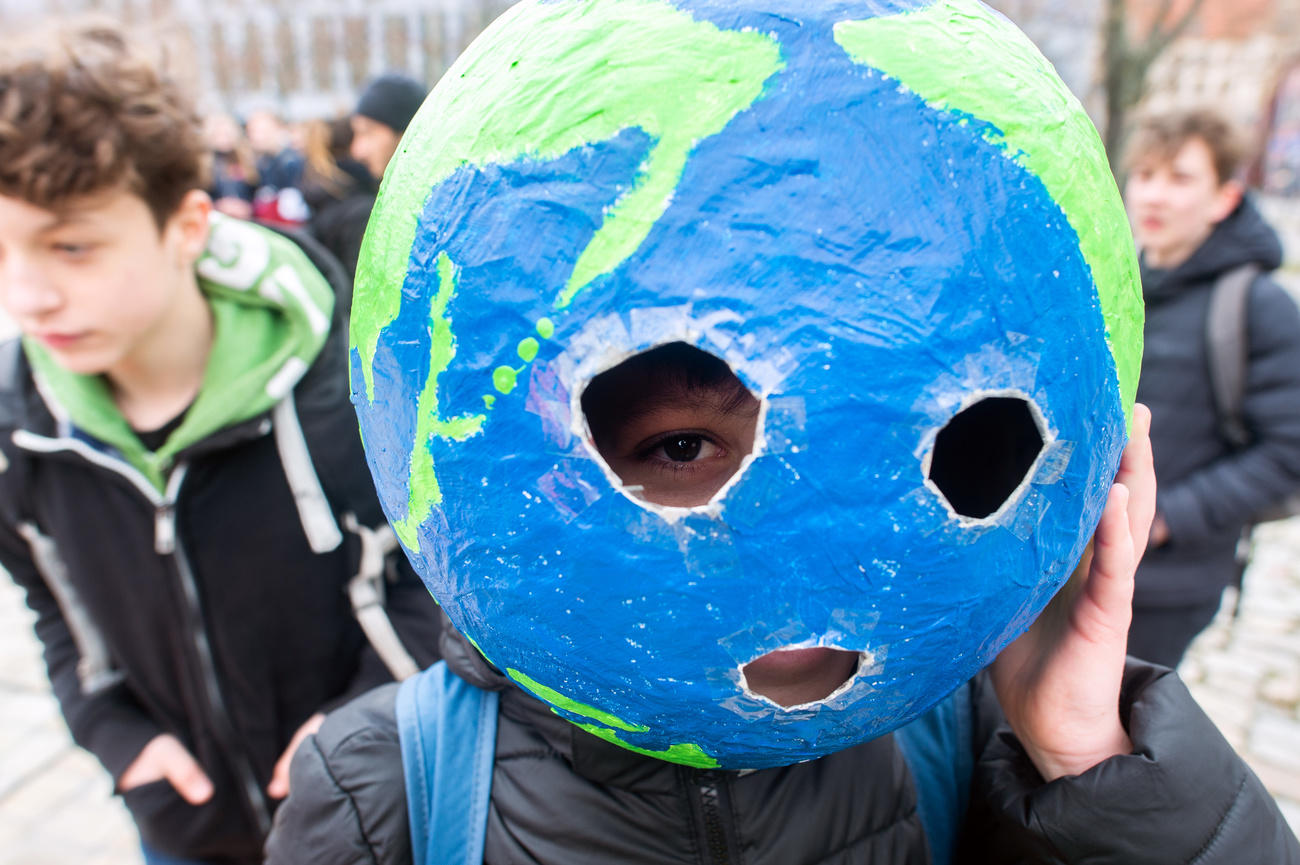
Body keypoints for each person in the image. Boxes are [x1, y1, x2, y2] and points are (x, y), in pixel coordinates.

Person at [267, 351, 1299, 864]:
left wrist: (1088, 759)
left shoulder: (966, 744)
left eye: (855, 449)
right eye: (682, 446)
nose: (806, 540)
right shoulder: (384, 791)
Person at [0, 18, 441, 864]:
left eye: (73, 246)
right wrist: (113, 732)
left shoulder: (344, 381)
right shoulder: (23, 426)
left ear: (186, 225)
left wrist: (365, 718)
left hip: (368, 812)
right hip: (184, 827)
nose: (29, 296)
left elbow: (438, 579)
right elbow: (50, 597)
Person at [1124, 108, 1300, 668]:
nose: (1154, 196)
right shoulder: (1112, 286)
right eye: (1146, 174)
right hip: (1069, 569)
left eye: (1180, 179)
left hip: (1164, 588)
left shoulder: (1257, 307)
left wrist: (1166, 517)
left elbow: (1287, 454)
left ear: (1225, 198)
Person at [310, 74, 426, 277]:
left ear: (406, 132)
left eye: (368, 132)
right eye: (356, 134)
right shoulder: (380, 200)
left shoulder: (431, 208)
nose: (357, 151)